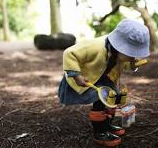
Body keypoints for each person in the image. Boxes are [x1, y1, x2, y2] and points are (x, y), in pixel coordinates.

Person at [58, 19, 150, 147]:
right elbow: (69, 53)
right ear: (119, 46)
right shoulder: (95, 46)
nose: (132, 56)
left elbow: (123, 64)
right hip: (88, 77)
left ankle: (107, 125)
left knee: (114, 98)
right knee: (100, 101)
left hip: (106, 78)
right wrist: (77, 75)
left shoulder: (119, 53)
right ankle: (100, 132)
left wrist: (133, 64)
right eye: (131, 53)